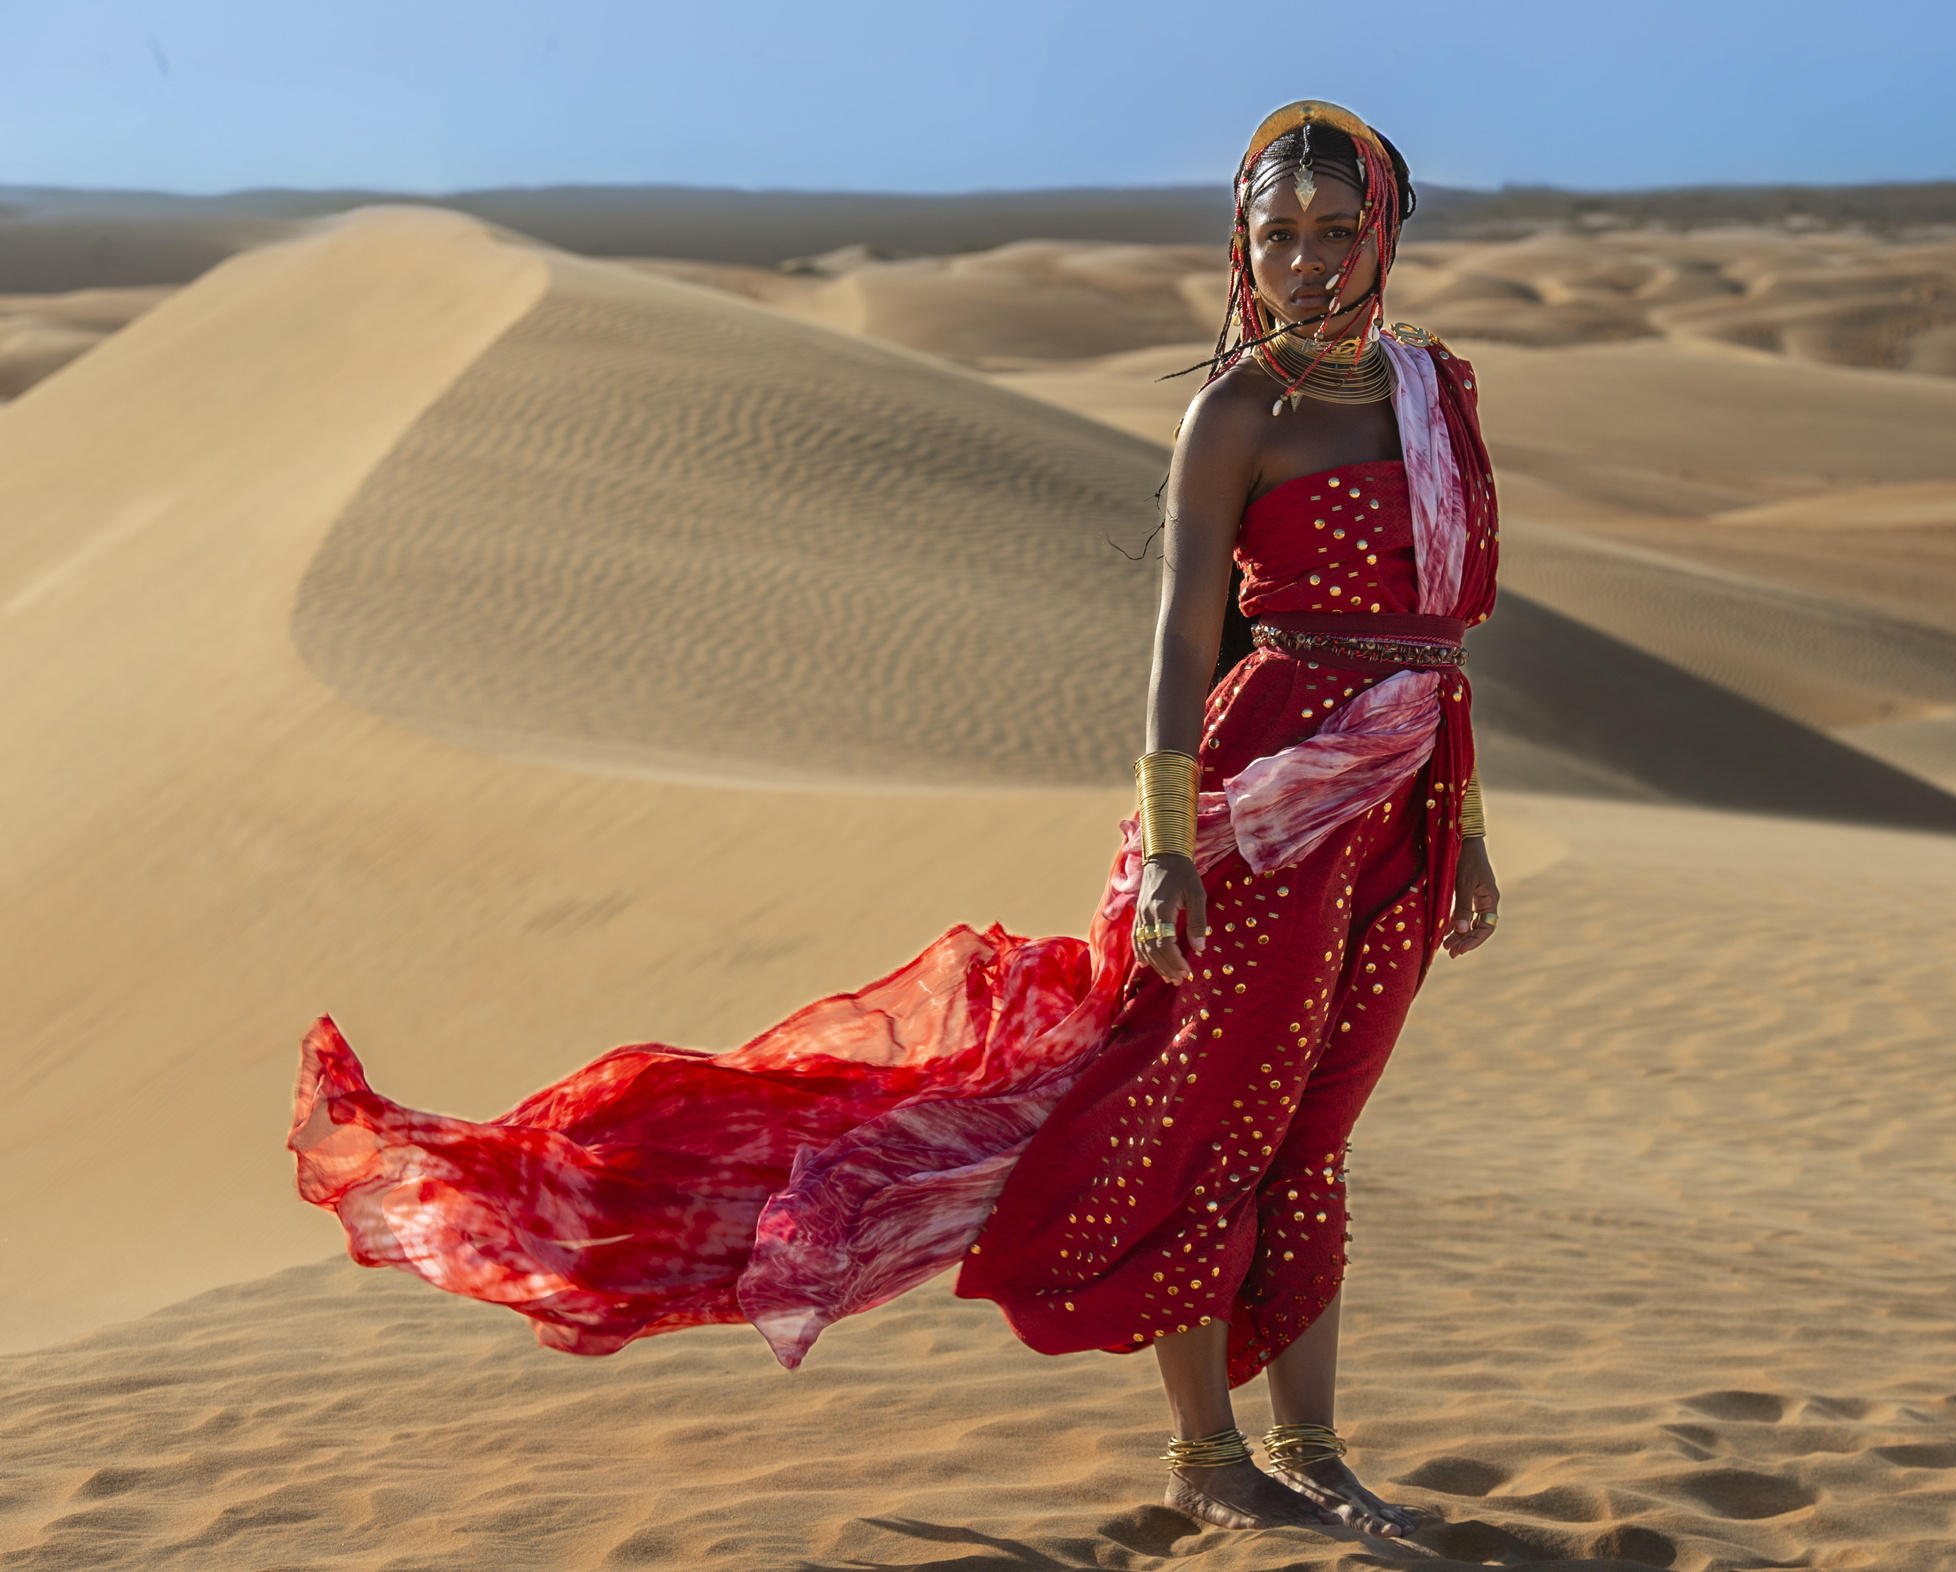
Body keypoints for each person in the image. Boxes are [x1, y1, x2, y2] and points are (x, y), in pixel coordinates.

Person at [288, 99, 1501, 1540]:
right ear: (1239, 247)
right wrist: (1170, 843)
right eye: (1274, 235)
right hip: (1262, 807)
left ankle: (1315, 1448)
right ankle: (1207, 1457)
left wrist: (1465, 829)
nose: (1304, 262)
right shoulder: (1238, 412)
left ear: (1385, 230)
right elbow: (1183, 638)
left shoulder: (1435, 394)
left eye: (1332, 231)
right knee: (1205, 1131)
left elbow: (1438, 632)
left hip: (1406, 799)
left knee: (1314, 1143)